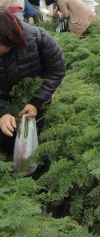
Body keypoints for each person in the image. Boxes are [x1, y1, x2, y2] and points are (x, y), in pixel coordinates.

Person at [0, 10, 66, 158]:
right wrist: (2, 113)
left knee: (28, 142)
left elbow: (56, 71)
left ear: (10, 39)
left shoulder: (39, 38)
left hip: (34, 98)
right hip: (3, 100)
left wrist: (36, 101)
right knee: (5, 141)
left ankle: (27, 170)